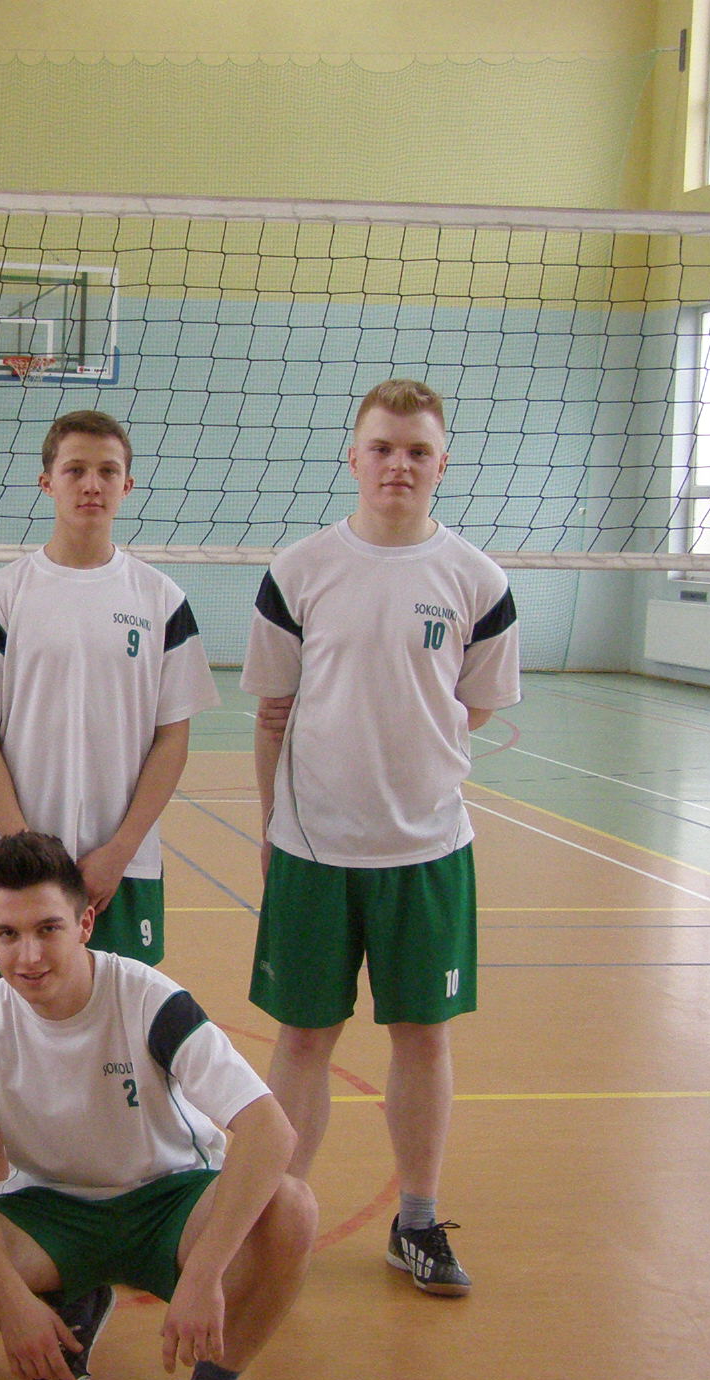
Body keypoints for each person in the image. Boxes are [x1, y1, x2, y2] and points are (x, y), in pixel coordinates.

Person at [0, 832, 315, 1380]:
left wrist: (206, 1273)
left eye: (48, 929)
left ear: (85, 923)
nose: (29, 955)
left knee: (290, 1209)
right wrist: (12, 1302)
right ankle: (74, 1294)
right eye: (8, 935)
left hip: (169, 1201)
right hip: (51, 1211)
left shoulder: (148, 998)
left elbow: (270, 1131)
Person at [242, 377, 519, 1297]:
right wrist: (274, 828)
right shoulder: (300, 570)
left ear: (443, 464)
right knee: (302, 1038)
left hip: (427, 851)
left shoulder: (478, 581)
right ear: (353, 457)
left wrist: (410, 766)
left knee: (424, 1039)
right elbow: (273, 713)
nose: (399, 464)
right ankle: (275, 1216)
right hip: (314, 851)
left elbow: (474, 707)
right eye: (383, 448)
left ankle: (417, 1221)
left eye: (417, 451)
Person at [0, 410, 218, 966]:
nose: (92, 484)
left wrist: (121, 850)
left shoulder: (161, 599)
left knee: (122, 1008)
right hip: (18, 865)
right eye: (75, 470)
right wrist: (27, 852)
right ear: (47, 482)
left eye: (108, 471)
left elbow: (172, 739)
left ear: (127, 485)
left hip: (122, 867)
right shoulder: (0, 598)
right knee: (16, 1010)